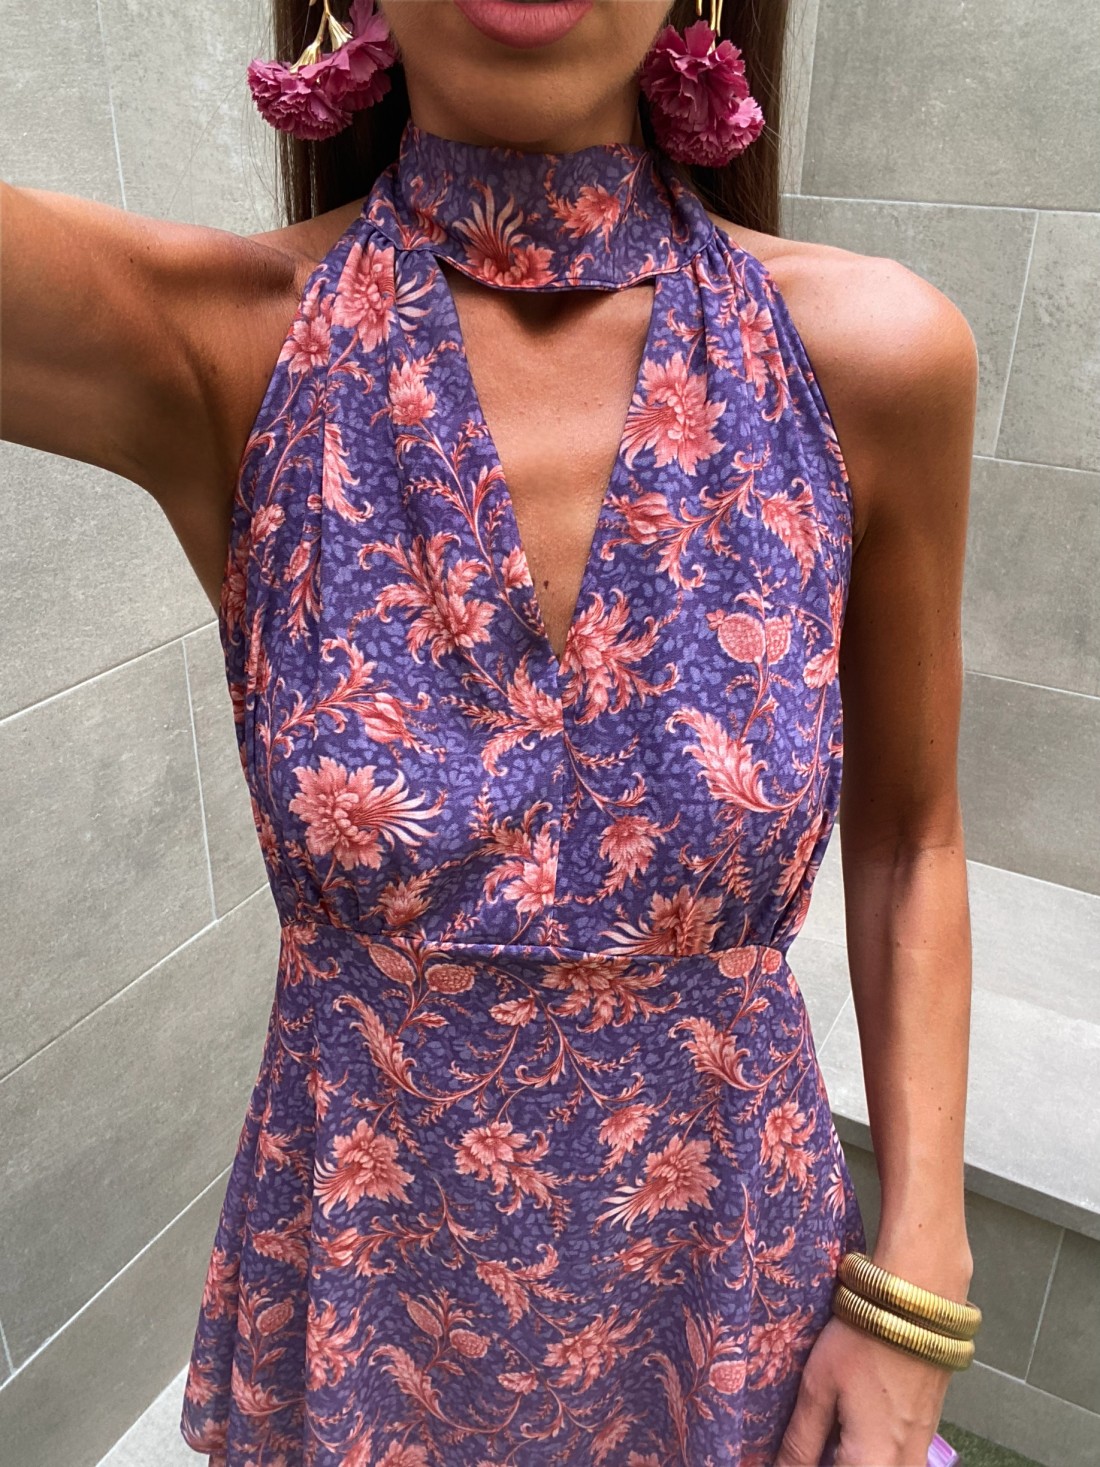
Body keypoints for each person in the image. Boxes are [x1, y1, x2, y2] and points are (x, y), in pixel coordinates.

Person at [0, 0, 983, 1463]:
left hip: (727, 1296)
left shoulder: (872, 357)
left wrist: (919, 1283)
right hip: (369, 1316)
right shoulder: (225, 344)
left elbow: (913, 843)